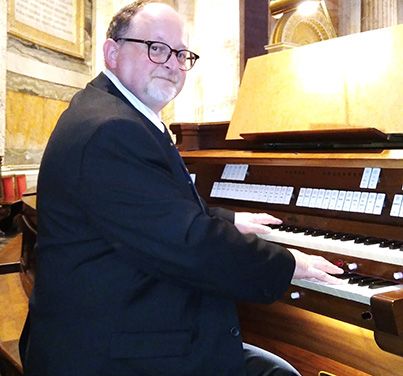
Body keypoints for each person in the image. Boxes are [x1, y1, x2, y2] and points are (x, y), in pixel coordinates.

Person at [20, 1, 344, 375]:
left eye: (181, 53)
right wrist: (289, 263)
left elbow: (152, 209)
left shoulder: (109, 112)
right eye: (156, 48)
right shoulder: (112, 130)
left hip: (110, 319)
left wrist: (227, 218)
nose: (172, 64)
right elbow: (189, 243)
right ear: (112, 52)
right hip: (110, 352)